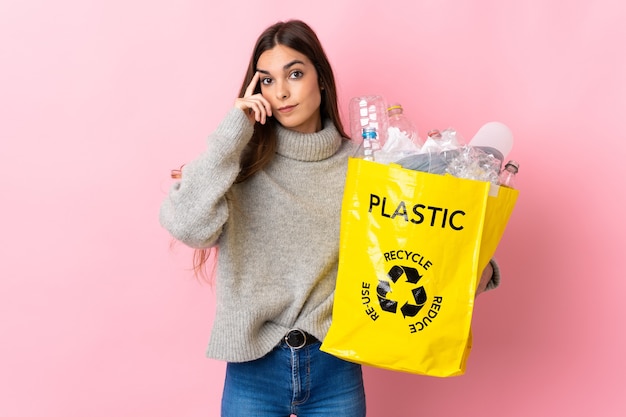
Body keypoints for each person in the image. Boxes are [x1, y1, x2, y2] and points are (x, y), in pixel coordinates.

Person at [159, 19, 500, 417]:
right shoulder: (238, 163)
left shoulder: (366, 164)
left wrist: (468, 262)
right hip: (253, 368)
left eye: (296, 74)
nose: (282, 91)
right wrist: (233, 132)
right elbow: (186, 227)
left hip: (334, 364)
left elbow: (410, 241)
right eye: (267, 81)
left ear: (321, 79)